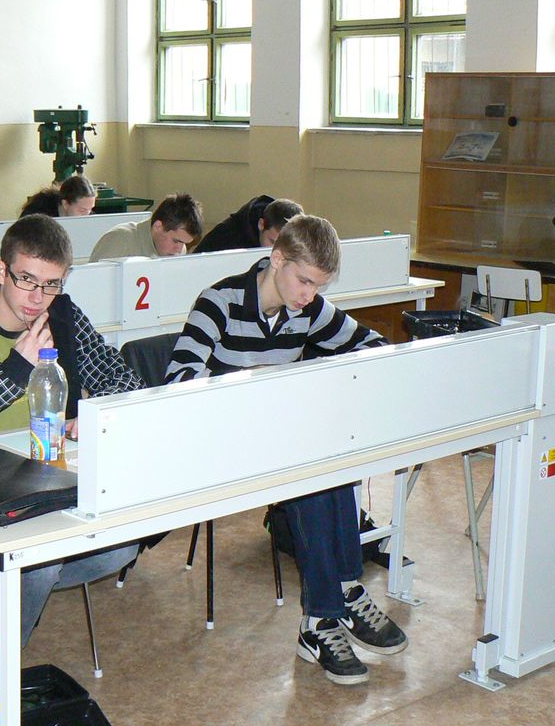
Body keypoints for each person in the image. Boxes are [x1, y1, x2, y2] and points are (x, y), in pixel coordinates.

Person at [165, 214, 405, 686]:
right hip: (218, 441)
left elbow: (372, 346)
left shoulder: (309, 309)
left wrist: (334, 379)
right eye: (304, 281)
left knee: (332, 459)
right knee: (308, 472)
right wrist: (251, 389)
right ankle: (333, 603)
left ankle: (330, 608)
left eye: (319, 286)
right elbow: (178, 380)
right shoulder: (220, 302)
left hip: (277, 440)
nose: (309, 295)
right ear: (277, 259)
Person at [0, 214, 144, 669]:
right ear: (1, 271)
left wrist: (93, 414)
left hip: (51, 470)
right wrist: (15, 369)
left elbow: (122, 378)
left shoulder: (64, 315)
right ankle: (0, 638)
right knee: (40, 561)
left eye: (52, 284)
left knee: (121, 547)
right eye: (26, 280)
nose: (38, 298)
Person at [87, 193, 203, 261]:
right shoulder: (120, 240)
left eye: (184, 243)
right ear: (158, 226)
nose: (179, 249)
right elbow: (91, 283)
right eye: (176, 241)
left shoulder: (178, 250)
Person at [194, 195, 304, 253]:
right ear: (261, 224)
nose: (277, 250)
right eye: (272, 242)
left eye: (286, 245)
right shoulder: (226, 238)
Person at [19, 174, 98, 218]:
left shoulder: (88, 216)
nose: (87, 216)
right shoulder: (38, 212)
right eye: (82, 210)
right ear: (65, 204)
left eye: (90, 209)